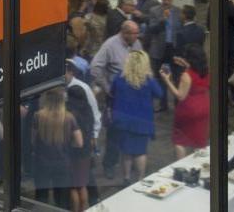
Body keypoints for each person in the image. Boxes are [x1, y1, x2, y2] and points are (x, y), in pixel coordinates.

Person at [90, 21, 143, 177]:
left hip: (134, 94)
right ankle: (110, 164)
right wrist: (106, 87)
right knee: (115, 131)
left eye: (137, 32)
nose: (137, 36)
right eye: (134, 33)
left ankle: (131, 159)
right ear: (124, 33)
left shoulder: (136, 43)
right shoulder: (110, 45)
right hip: (116, 97)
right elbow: (95, 68)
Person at [110, 51, 163, 184]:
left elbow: (111, 91)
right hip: (142, 121)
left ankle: (126, 178)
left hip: (123, 121)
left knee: (126, 152)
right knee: (140, 152)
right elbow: (160, 94)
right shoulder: (148, 80)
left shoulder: (119, 78)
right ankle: (140, 179)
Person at [30, 87, 82, 209]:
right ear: (62, 100)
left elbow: (33, 140)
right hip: (62, 163)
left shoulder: (38, 116)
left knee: (41, 195)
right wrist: (69, 144)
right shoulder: (69, 117)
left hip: (42, 163)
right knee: (62, 198)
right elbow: (79, 143)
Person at [161, 44, 209, 160]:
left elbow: (180, 96)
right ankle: (198, 165)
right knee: (198, 139)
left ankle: (181, 166)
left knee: (180, 140)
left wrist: (167, 80)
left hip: (188, 109)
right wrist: (184, 63)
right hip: (204, 106)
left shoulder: (186, 75)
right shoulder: (206, 71)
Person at [147, 0, 182, 112]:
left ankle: (178, 103)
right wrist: (163, 20)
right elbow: (152, 29)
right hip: (159, 49)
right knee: (161, 76)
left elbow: (180, 29)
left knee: (177, 76)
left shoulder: (178, 11)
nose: (166, 2)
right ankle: (163, 104)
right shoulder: (154, 11)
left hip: (173, 48)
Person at [65, 85, 94, 212]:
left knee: (72, 187)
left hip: (72, 153)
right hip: (86, 151)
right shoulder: (88, 109)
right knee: (82, 185)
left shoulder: (70, 112)